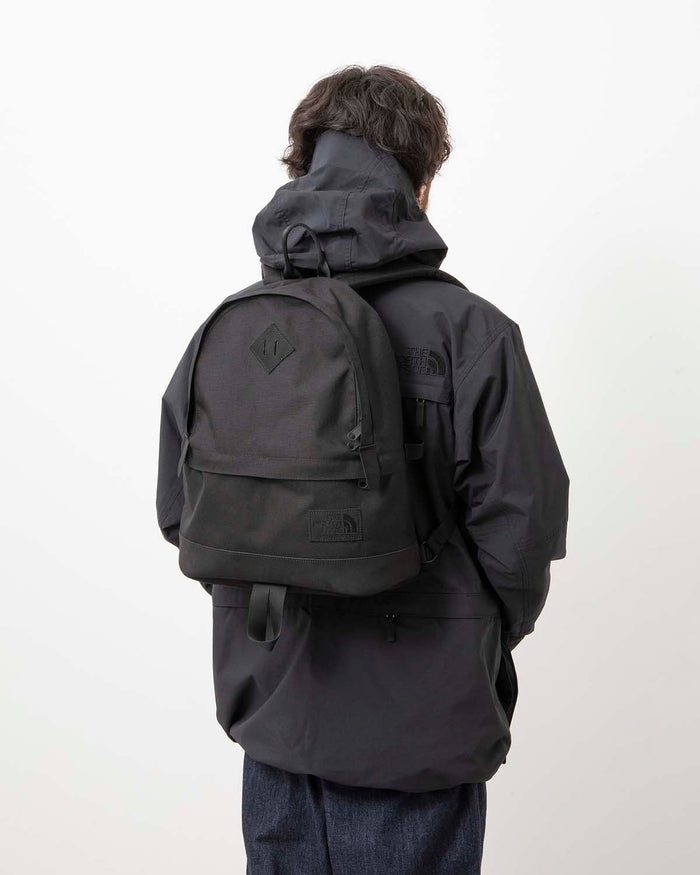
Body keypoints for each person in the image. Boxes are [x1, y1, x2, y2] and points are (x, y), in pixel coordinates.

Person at [157, 65, 569, 874]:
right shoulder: (472, 334)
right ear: (420, 185)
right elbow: (521, 534)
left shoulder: (234, 329)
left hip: (276, 728)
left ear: (303, 167)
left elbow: (184, 512)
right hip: (419, 737)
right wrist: (466, 634)